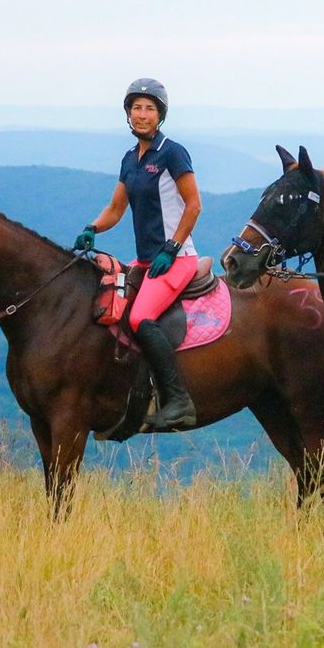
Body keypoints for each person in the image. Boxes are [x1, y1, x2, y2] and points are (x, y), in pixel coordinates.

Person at [73, 78, 202, 429]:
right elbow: (116, 208)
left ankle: (179, 401)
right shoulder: (130, 158)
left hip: (177, 259)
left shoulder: (173, 153)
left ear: (160, 115)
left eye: (150, 108)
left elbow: (194, 205)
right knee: (109, 306)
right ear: (128, 114)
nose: (142, 115)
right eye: (136, 108)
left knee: (138, 317)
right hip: (145, 261)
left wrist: (172, 248)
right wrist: (92, 229)